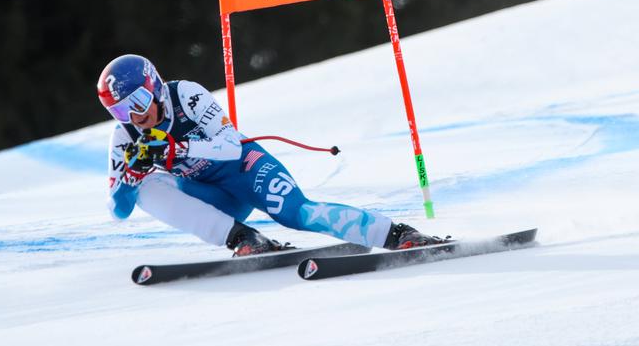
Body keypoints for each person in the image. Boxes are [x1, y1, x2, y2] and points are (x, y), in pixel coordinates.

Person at [97, 54, 443, 256]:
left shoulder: (185, 95)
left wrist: (179, 148)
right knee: (146, 186)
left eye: (138, 103)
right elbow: (118, 211)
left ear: (155, 87)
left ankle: (396, 234)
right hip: (216, 199)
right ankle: (243, 238)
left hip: (245, 170)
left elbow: (231, 145)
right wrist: (130, 176)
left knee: (295, 213)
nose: (135, 117)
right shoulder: (125, 137)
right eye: (121, 111)